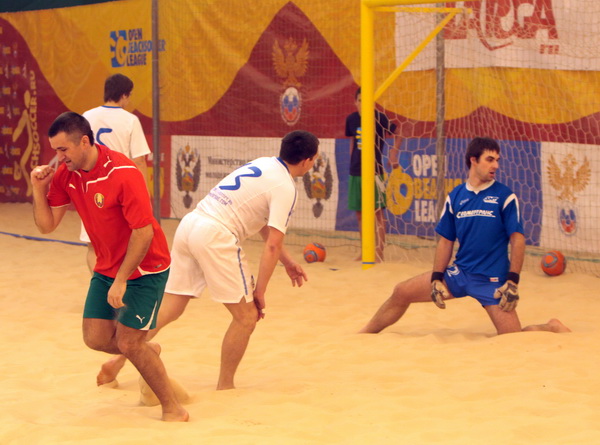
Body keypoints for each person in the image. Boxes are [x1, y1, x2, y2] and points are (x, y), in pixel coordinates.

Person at [97, 130, 319, 390]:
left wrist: (289, 262)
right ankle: (225, 386)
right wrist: (260, 291)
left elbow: (262, 225)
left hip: (190, 225)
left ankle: (117, 361)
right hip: (215, 235)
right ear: (307, 161)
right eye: (314, 159)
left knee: (173, 306)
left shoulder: (264, 163)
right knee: (247, 317)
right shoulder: (285, 187)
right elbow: (272, 244)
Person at [31, 112, 188, 422]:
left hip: (146, 267)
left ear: (84, 142)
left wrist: (121, 279)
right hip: (107, 266)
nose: (59, 158)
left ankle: (174, 409)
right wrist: (37, 188)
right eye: (56, 151)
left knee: (128, 341)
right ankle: (146, 351)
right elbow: (46, 226)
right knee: (95, 338)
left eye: (63, 150)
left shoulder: (124, 173)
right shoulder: (65, 174)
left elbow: (143, 233)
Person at [359, 137, 571, 335]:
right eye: (490, 160)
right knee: (401, 291)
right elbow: (446, 241)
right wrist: (436, 278)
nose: (496, 165)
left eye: (497, 160)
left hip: (492, 280)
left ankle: (550, 326)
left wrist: (512, 281)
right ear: (473, 160)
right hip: (460, 274)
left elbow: (518, 240)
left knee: (513, 337)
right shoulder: (456, 196)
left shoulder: (505, 196)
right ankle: (364, 333)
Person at [81, 73, 152, 272]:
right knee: (125, 243)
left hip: (90, 186)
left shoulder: (87, 116)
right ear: (124, 95)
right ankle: (117, 283)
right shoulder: (130, 120)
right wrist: (144, 193)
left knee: (93, 245)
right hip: (119, 188)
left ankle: (98, 284)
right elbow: (139, 160)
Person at [345, 87, 401, 262]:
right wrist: (352, 160)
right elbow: (353, 141)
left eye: (366, 100)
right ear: (355, 102)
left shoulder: (379, 117)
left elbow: (398, 133)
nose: (363, 104)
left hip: (375, 172)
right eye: (360, 100)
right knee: (360, 214)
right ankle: (365, 251)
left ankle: (379, 252)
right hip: (356, 171)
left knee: (378, 213)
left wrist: (393, 154)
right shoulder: (351, 119)